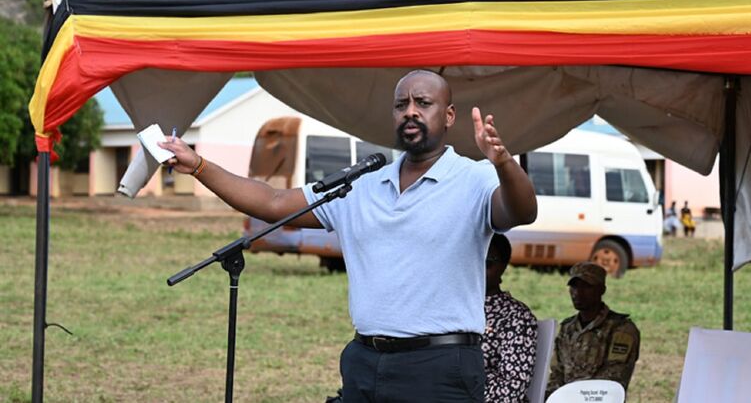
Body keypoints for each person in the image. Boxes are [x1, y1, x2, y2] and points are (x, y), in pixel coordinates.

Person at [161, 69, 538, 402]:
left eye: (423, 103)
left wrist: (503, 163)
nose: (410, 111)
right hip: (365, 361)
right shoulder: (362, 185)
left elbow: (521, 211)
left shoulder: (475, 178)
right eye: (401, 104)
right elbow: (273, 202)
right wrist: (199, 166)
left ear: (449, 115)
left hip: (440, 367)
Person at [545, 262, 640, 398]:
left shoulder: (621, 329)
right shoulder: (567, 328)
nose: (578, 292)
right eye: (574, 286)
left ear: (602, 290)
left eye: (586, 286)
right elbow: (557, 373)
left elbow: (613, 379)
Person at [482, 234, 537, 403]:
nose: (477, 268)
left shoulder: (516, 316)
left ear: (503, 267)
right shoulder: (451, 309)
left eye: (487, 262)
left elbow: (512, 387)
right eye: (473, 260)